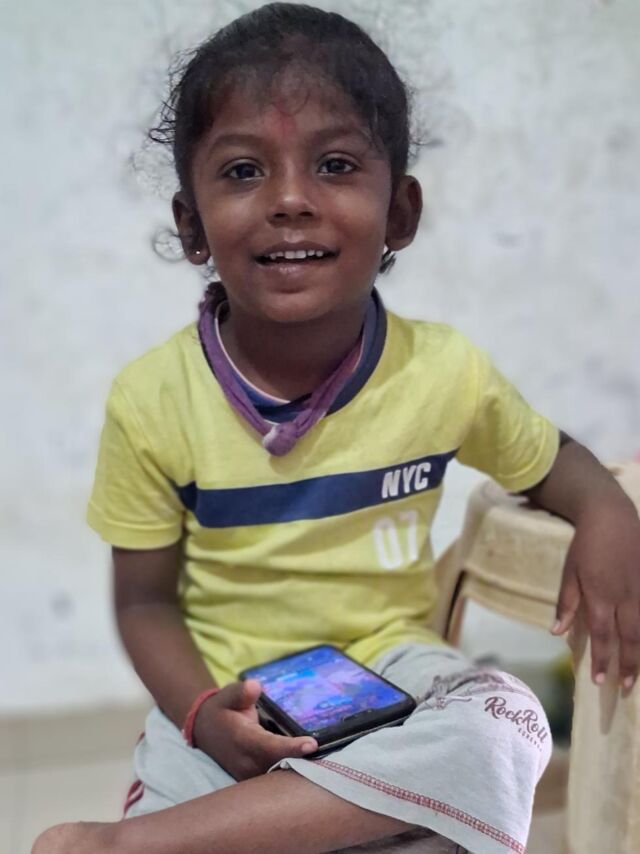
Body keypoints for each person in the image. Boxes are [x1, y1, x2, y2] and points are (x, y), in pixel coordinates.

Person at [32, 3, 640, 853]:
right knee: (431, 807)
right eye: (243, 171)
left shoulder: (444, 373)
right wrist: (203, 715)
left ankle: (132, 844)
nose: (290, 200)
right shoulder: (152, 400)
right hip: (225, 694)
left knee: (508, 723)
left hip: (392, 671)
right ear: (190, 223)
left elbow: (554, 464)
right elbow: (144, 601)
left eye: (336, 164)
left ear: (400, 213)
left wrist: (609, 512)